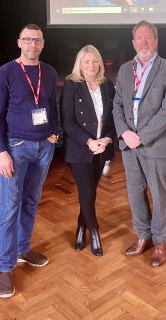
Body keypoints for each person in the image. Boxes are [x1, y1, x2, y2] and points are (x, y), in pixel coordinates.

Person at [0, 24, 58, 298]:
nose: (33, 44)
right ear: (19, 42)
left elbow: (51, 105)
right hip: (15, 147)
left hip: (44, 147)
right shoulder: (5, 72)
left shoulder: (50, 72)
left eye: (38, 40)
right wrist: (0, 151)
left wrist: (53, 133)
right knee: (9, 207)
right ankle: (5, 267)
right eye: (28, 39)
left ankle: (22, 249)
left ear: (42, 44)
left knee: (31, 201)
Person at [113, 20, 166, 267]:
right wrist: (124, 133)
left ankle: (160, 241)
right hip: (129, 144)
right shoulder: (123, 70)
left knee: (159, 194)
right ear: (133, 42)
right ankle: (144, 236)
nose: (144, 42)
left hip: (156, 145)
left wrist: (139, 136)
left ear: (156, 41)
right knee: (135, 192)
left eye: (148, 38)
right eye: (139, 38)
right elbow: (118, 105)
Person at [60, 45, 115, 256]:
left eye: (94, 61)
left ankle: (80, 227)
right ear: (79, 65)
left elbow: (112, 117)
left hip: (101, 148)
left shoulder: (107, 85)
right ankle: (94, 231)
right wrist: (90, 142)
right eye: (86, 62)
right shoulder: (72, 85)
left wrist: (107, 139)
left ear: (100, 63)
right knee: (86, 191)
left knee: (91, 192)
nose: (91, 65)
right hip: (80, 148)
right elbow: (67, 121)